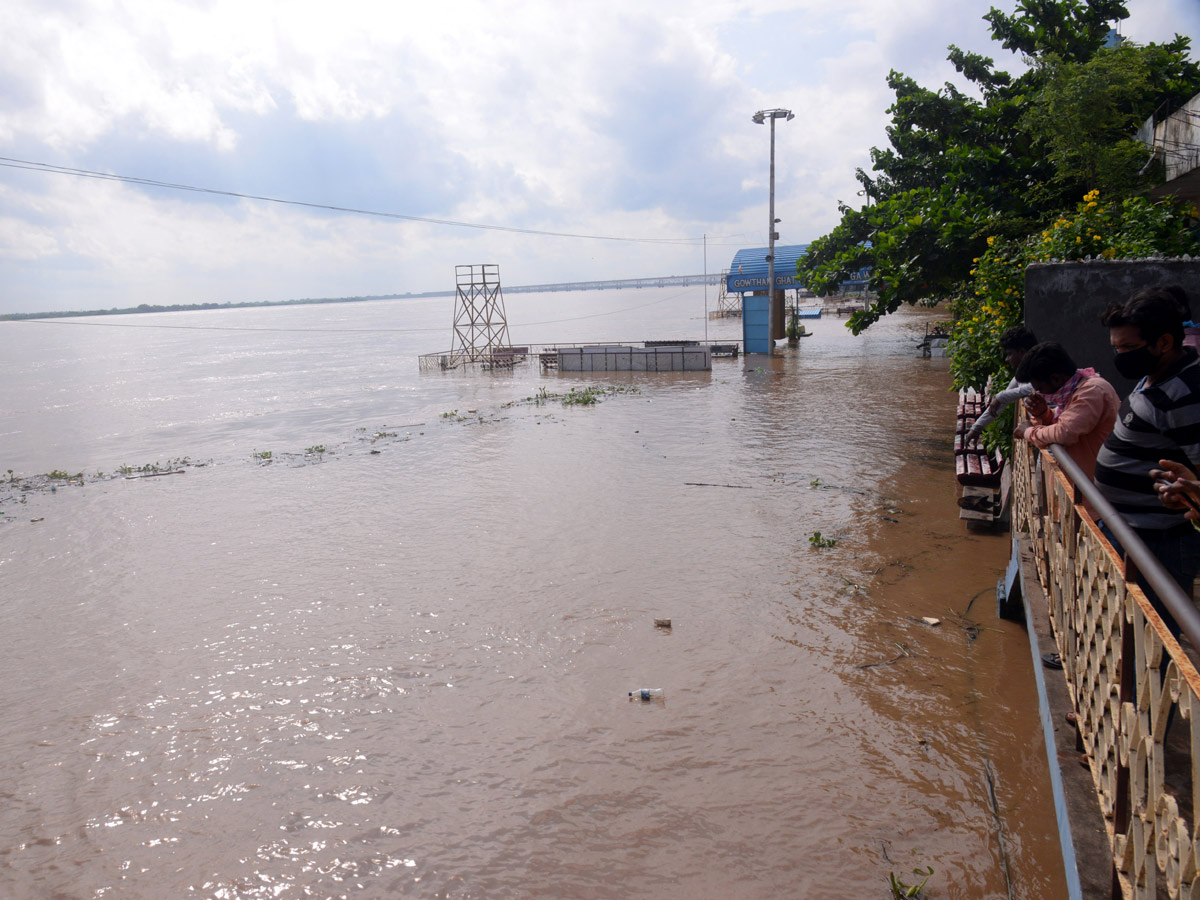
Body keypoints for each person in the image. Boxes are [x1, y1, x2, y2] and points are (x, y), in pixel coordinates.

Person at [1093, 287, 1200, 630]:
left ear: (1164, 343)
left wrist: (1191, 489)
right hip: (1130, 531)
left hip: (1159, 541)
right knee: (1121, 626)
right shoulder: (1157, 376)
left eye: (1128, 347)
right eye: (1116, 348)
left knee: (1153, 634)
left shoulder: (1184, 395)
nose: (1121, 355)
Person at [1013, 341, 1118, 482]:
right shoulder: (1076, 391)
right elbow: (1069, 419)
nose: (1038, 393)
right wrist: (1044, 414)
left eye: (1040, 388)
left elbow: (1064, 432)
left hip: (1093, 488)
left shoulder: (1092, 391)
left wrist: (1028, 432)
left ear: (1056, 379)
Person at [964, 326, 1038, 443]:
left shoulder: (1041, 366)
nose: (1007, 359)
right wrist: (977, 427)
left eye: (1009, 354)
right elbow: (1002, 403)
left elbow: (1034, 387)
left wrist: (1001, 396)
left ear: (1022, 352)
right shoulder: (1021, 375)